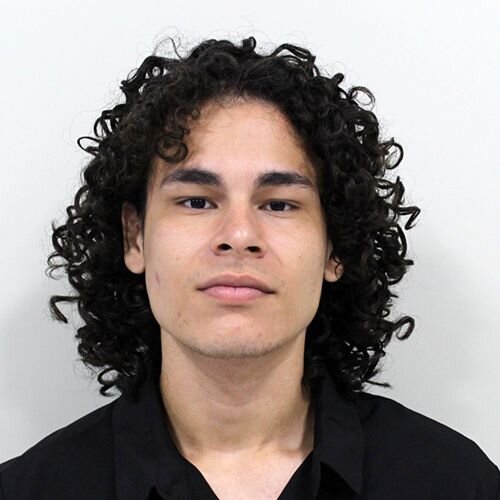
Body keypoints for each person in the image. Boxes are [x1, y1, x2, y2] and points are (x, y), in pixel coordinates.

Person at [0, 36, 498, 500]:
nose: (238, 235)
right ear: (136, 237)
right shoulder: (30, 489)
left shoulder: (454, 482)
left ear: (335, 249)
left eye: (279, 204)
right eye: (196, 201)